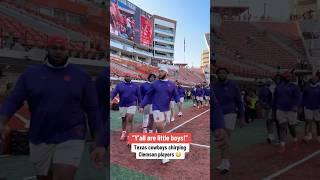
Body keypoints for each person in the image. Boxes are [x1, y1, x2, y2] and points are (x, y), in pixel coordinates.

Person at [0, 36, 105, 180]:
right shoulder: (30, 75)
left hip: (72, 135)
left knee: (63, 177)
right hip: (40, 136)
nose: (58, 52)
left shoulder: (81, 76)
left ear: (68, 51)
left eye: (62, 49)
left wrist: (98, 141)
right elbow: (13, 100)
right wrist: (2, 120)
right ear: (47, 49)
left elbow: (92, 109)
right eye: (54, 48)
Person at [139, 66, 181, 164]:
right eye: (159, 71)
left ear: (166, 73)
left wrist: (179, 105)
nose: (159, 72)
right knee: (160, 128)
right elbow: (148, 95)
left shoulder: (171, 84)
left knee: (161, 128)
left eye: (161, 71)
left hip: (166, 110)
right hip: (156, 109)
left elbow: (176, 96)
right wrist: (142, 105)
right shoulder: (155, 84)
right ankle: (164, 154)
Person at [213, 67, 244, 172]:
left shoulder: (233, 85)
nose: (222, 75)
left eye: (224, 73)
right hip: (218, 114)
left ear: (227, 74)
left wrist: (241, 116)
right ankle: (224, 161)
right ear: (217, 75)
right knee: (222, 139)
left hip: (230, 113)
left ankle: (225, 162)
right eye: (220, 73)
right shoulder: (214, 86)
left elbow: (239, 101)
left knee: (225, 138)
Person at [273, 72, 301, 153]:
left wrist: (296, 105)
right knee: (282, 127)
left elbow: (298, 97)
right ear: (283, 77)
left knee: (291, 127)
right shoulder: (278, 87)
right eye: (286, 76)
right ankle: (282, 145)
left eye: (289, 76)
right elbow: (275, 99)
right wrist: (274, 110)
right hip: (280, 109)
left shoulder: (295, 87)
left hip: (291, 110)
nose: (288, 77)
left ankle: (295, 140)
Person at [111, 74, 141, 142]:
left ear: (131, 77)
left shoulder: (135, 86)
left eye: (129, 76)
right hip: (122, 105)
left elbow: (139, 95)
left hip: (132, 104)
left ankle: (130, 136)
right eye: (127, 76)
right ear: (124, 77)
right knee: (124, 120)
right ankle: (123, 132)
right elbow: (114, 93)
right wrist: (111, 99)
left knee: (130, 119)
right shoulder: (119, 85)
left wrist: (140, 105)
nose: (128, 77)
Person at [212, 89, 229, 174]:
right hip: (213, 113)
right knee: (220, 140)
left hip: (216, 114)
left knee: (222, 139)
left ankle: (225, 163)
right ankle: (224, 162)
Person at [301, 75, 320, 143]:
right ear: (311, 79)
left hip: (317, 108)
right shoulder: (306, 87)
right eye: (313, 79)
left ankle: (318, 136)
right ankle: (307, 135)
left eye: (315, 79)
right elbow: (303, 97)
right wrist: (302, 106)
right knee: (308, 121)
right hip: (308, 107)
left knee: (318, 122)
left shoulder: (319, 87)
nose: (314, 79)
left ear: (317, 80)